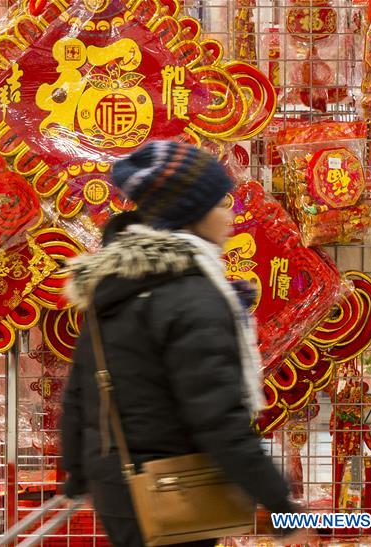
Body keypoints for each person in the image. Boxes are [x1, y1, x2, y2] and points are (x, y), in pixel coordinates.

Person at [60, 141, 308, 546]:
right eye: (219, 203)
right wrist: (280, 505)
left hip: (118, 489)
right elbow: (216, 417)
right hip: (174, 489)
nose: (228, 215)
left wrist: (77, 472)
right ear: (190, 214)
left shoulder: (114, 283)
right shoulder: (193, 296)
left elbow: (80, 388)